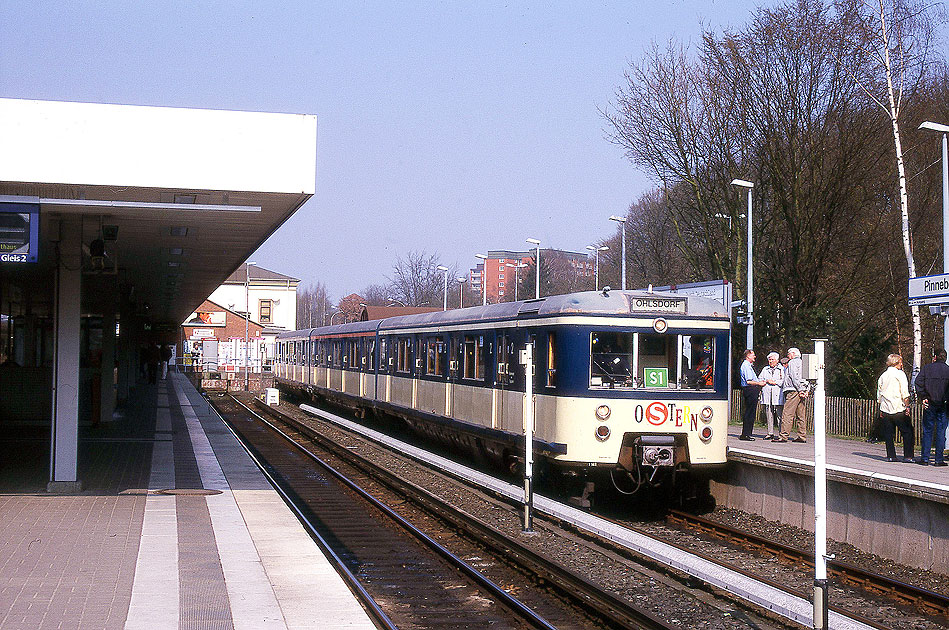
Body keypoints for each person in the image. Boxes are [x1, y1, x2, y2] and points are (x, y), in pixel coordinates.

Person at [876, 353, 914, 463]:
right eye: (900, 362)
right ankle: (908, 456)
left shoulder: (883, 376)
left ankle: (891, 456)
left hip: (886, 408)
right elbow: (904, 392)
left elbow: (879, 393)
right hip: (898, 407)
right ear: (896, 363)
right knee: (907, 432)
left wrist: (880, 407)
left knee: (889, 433)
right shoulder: (900, 374)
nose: (902, 364)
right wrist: (907, 406)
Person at [914, 349, 949, 466]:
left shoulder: (927, 368)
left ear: (935, 357)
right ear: (945, 358)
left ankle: (925, 458)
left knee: (928, 430)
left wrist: (923, 396)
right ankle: (939, 459)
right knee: (941, 431)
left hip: (929, 402)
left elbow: (918, 382)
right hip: (944, 405)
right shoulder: (948, 370)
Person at [775, 347, 809, 443]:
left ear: (793, 354)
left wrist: (800, 389)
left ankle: (783, 436)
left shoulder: (793, 362)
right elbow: (807, 377)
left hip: (793, 390)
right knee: (800, 414)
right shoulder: (803, 362)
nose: (788, 356)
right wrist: (805, 390)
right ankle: (802, 436)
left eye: (789, 354)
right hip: (801, 390)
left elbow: (794, 376)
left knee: (787, 413)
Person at [738, 349, 765, 441]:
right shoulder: (746, 366)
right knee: (750, 412)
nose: (755, 357)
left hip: (751, 389)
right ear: (748, 355)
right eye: (753, 355)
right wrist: (759, 383)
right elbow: (749, 381)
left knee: (750, 412)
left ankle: (747, 433)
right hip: (750, 389)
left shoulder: (748, 365)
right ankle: (746, 434)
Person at [758, 351, 785, 440]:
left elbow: (784, 381)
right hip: (767, 393)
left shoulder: (782, 369)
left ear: (777, 360)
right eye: (769, 360)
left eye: (772, 359)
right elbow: (760, 379)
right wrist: (766, 381)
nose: (771, 361)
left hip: (777, 394)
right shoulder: (765, 369)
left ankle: (781, 433)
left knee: (779, 414)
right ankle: (770, 433)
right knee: (768, 413)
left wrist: (774, 382)